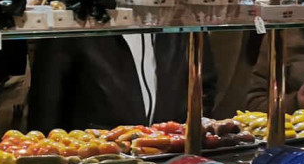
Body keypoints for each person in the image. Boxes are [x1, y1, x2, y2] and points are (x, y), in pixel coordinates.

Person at [27, 32, 213, 129]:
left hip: (171, 159)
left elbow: (204, 86)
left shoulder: (181, 22)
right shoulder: (75, 20)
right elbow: (47, 107)